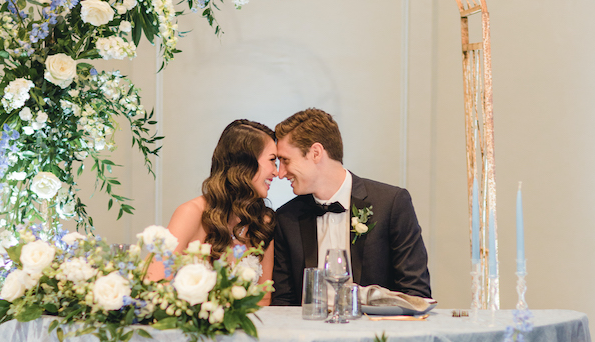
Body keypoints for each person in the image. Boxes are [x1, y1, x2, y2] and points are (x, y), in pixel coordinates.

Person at [271, 108, 431, 306]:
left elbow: (416, 294)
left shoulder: (391, 204)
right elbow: (282, 303)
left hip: (376, 333)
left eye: (285, 160)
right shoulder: (287, 218)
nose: (280, 173)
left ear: (316, 153)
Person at [149, 120, 277, 303]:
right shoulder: (191, 213)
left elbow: (264, 299)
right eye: (272, 160)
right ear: (245, 162)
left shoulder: (263, 222)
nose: (276, 172)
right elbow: (155, 285)